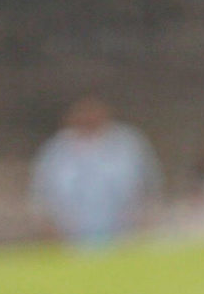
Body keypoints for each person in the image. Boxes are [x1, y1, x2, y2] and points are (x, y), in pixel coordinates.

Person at [30, 95, 161, 247]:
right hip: (72, 239)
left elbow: (149, 185)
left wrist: (143, 223)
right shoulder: (57, 149)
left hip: (124, 235)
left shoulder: (127, 144)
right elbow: (42, 194)